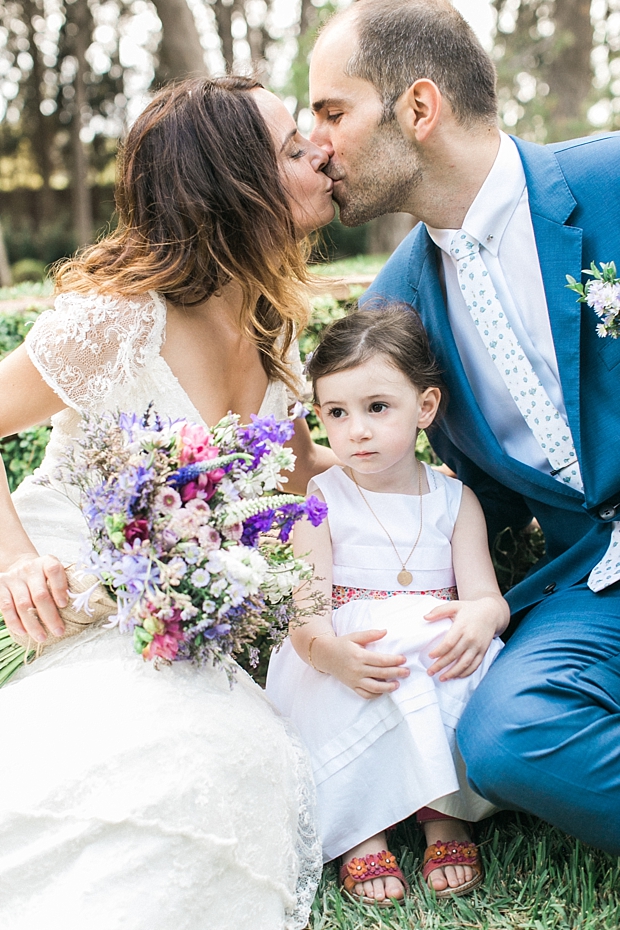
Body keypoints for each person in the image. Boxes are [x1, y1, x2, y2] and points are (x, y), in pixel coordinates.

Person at [0, 76, 337, 930]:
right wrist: (16, 565)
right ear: (236, 185)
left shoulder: (272, 325)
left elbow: (297, 475)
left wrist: (427, 486)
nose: (321, 155)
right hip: (79, 609)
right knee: (181, 754)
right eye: (294, 149)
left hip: (187, 616)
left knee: (238, 746)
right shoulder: (118, 320)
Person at [308, 0, 620, 855]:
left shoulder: (614, 181)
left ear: (417, 108)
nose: (315, 144)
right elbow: (450, 484)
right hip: (594, 584)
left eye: (333, 112)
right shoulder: (393, 307)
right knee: (506, 738)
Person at [266, 306, 508, 905]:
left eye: (378, 408)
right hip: (350, 651)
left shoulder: (455, 499)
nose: (357, 431)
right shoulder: (322, 498)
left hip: (430, 646)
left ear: (425, 407)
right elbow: (308, 614)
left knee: (460, 667)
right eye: (337, 414)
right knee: (343, 694)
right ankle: (360, 830)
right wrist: (330, 655)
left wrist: (481, 617)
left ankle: (440, 812)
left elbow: (485, 598)